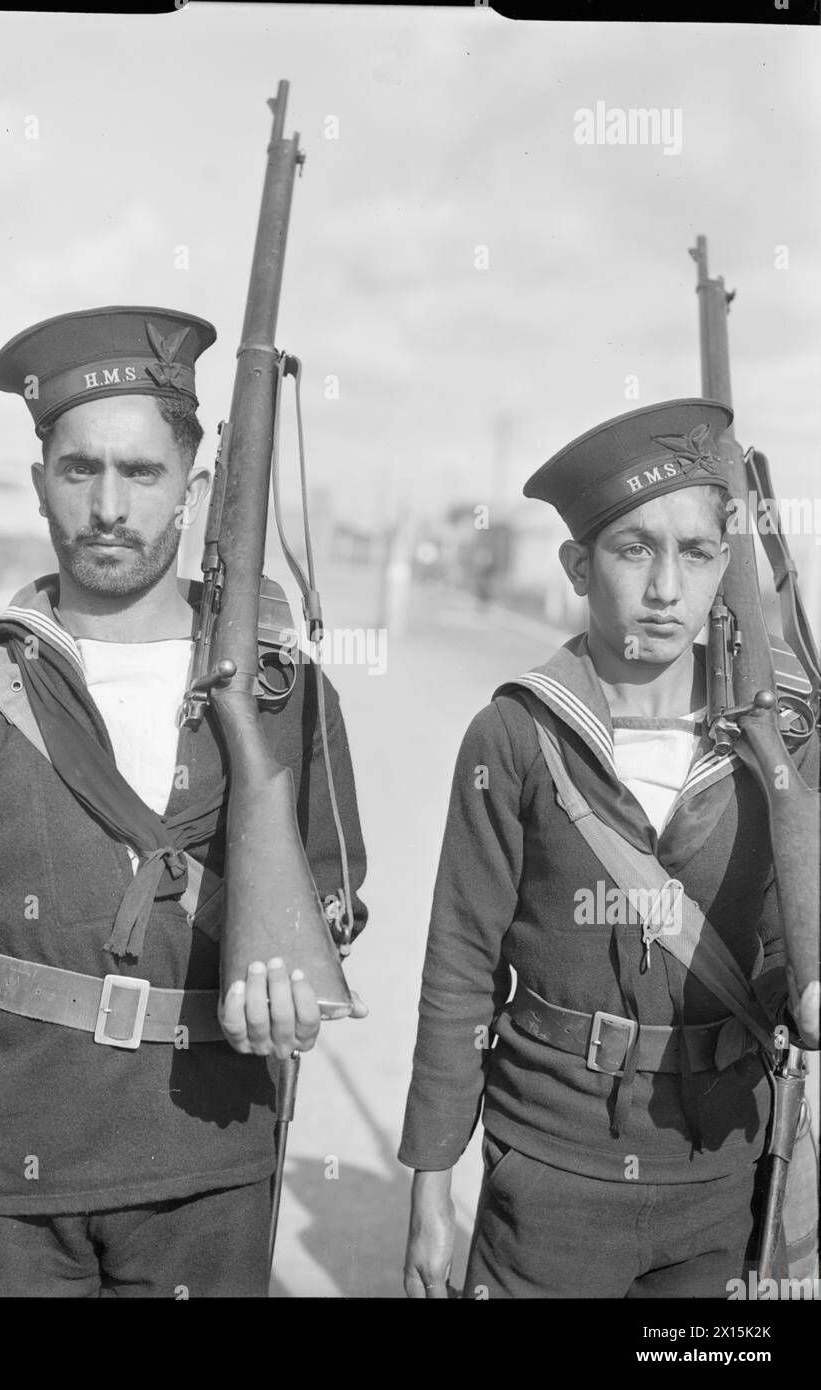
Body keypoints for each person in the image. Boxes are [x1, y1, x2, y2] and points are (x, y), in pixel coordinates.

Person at [0, 306, 368, 1298]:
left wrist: (299, 975)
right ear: (40, 478)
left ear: (198, 486)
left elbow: (334, 888)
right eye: (78, 467)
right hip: (7, 1184)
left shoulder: (282, 693)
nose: (107, 503)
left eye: (140, 472)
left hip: (213, 1167)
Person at [399, 399, 817, 1299]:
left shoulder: (780, 743)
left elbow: (787, 941)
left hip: (721, 1170)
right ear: (578, 566)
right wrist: (431, 1186)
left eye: (697, 552)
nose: (666, 588)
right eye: (634, 549)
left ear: (727, 568)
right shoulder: (513, 733)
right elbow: (460, 963)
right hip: (548, 1167)